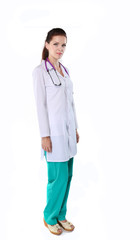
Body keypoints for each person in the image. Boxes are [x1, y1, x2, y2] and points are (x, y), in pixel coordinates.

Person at [32, 28, 79, 235]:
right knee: (56, 178)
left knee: (67, 176)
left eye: (63, 45)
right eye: (56, 44)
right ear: (47, 44)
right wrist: (44, 135)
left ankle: (61, 214)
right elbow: (40, 105)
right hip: (54, 135)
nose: (60, 48)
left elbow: (71, 103)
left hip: (68, 134)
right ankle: (49, 216)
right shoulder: (40, 72)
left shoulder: (65, 70)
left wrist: (75, 127)